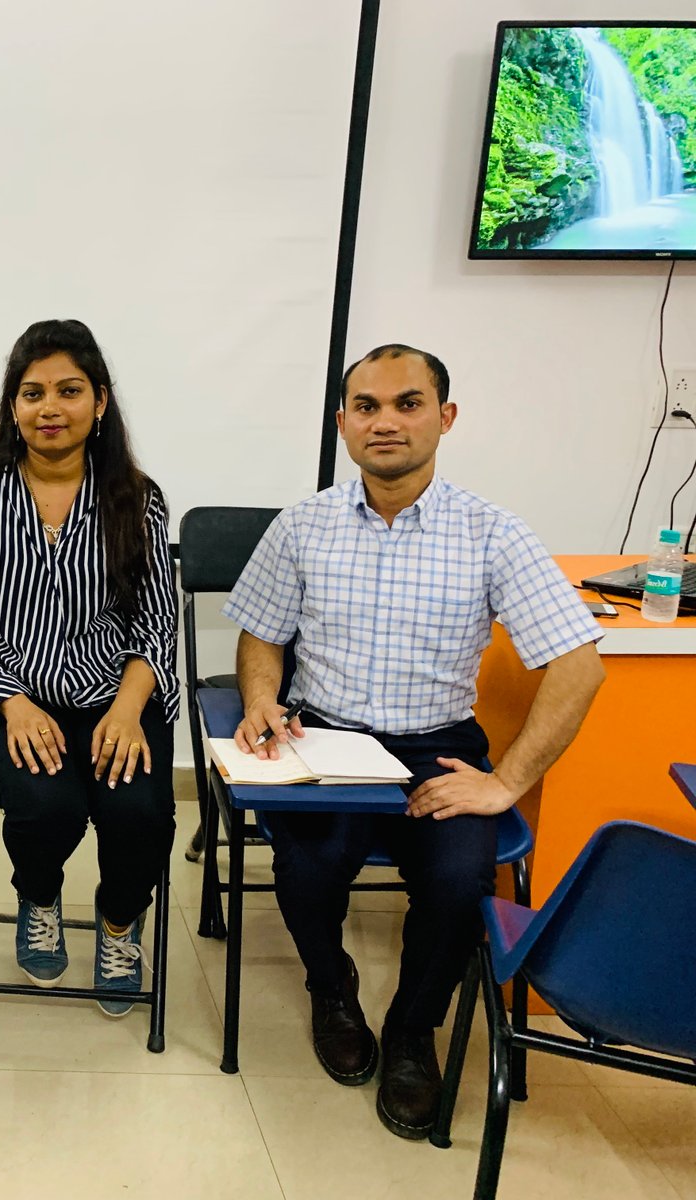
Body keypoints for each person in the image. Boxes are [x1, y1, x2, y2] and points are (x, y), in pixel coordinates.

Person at [224, 343, 604, 1138]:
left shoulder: (492, 532)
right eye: (366, 406)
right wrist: (261, 698)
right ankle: (331, 987)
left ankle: (410, 1028)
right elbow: (260, 636)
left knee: (461, 874)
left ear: (445, 417)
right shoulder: (304, 525)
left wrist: (505, 783)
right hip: (324, 738)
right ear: (343, 424)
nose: (385, 421)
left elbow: (579, 664)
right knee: (306, 860)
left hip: (437, 745)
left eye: (407, 403)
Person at [0, 318, 179, 1015]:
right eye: (32, 392)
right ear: (12, 405)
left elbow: (157, 624)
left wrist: (129, 710)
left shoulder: (139, 497)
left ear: (99, 402)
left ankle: (118, 924)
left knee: (140, 814)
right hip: (12, 697)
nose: (49, 408)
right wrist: (11, 701)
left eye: (68, 390)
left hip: (115, 696)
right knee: (48, 805)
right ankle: (37, 897)